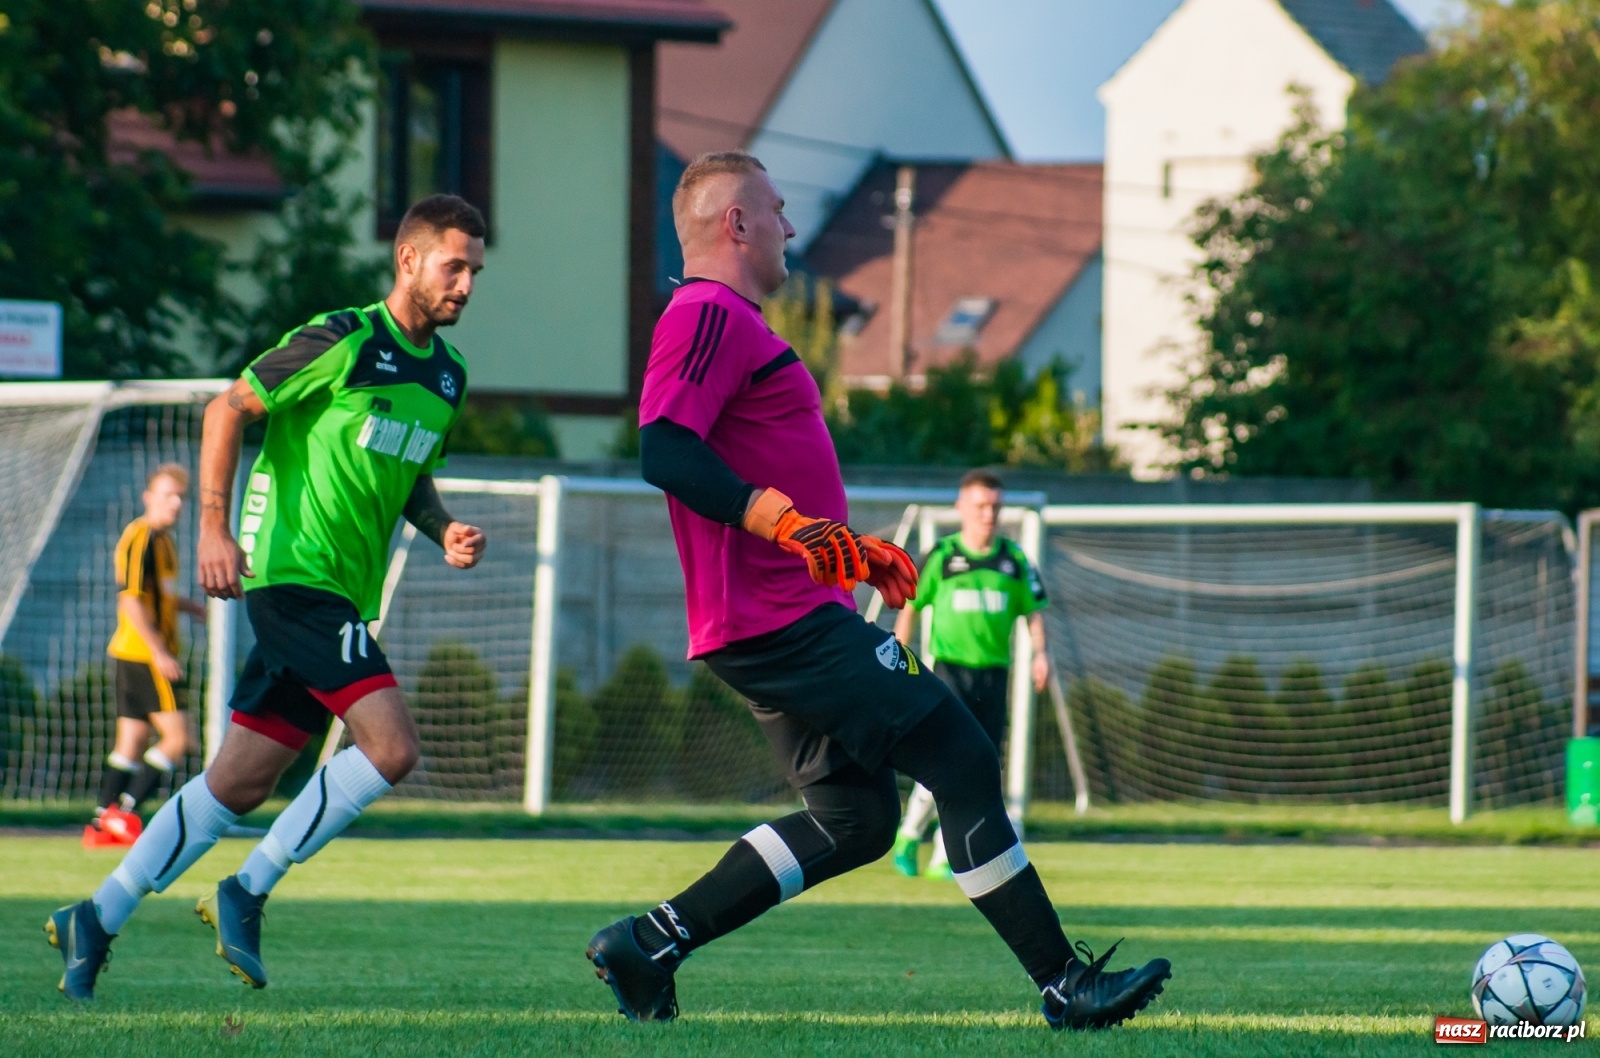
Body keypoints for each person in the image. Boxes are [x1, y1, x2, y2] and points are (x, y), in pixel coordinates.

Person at [586, 151, 1171, 1032]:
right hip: (779, 624)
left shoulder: (728, 320)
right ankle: (1062, 985)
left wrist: (848, 553)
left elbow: (754, 470)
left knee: (855, 820)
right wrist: (785, 525)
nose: (789, 226)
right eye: (776, 210)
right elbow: (665, 450)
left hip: (780, 615)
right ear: (734, 224)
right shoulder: (708, 312)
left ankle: (651, 941)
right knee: (964, 759)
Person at [46, 194, 488, 1001]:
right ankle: (246, 891)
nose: (465, 283)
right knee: (391, 749)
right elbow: (228, 408)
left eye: (475, 271)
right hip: (292, 579)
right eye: (453, 265)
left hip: (341, 597)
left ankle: (96, 916)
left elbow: (408, 469)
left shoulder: (449, 377)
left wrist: (443, 526)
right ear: (409, 260)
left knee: (237, 784)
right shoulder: (342, 339)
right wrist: (213, 527)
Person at [890, 470, 1050, 880]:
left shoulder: (1013, 561)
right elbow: (909, 607)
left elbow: (1033, 612)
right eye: (980, 505)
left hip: (994, 677)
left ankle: (945, 855)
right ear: (961, 507)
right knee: (944, 762)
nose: (988, 514)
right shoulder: (940, 557)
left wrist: (1041, 656)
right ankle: (909, 835)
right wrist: (899, 656)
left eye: (995, 506)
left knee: (979, 766)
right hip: (948, 673)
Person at [86, 464, 208, 848]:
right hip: (144, 654)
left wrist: (187, 607)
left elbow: (157, 596)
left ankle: (100, 826)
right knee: (180, 739)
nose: (174, 504)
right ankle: (124, 813)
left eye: (180, 498)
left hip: (129, 654)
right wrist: (159, 652)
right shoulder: (140, 538)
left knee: (132, 742)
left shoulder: (164, 542)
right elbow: (131, 601)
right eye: (167, 494)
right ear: (148, 497)